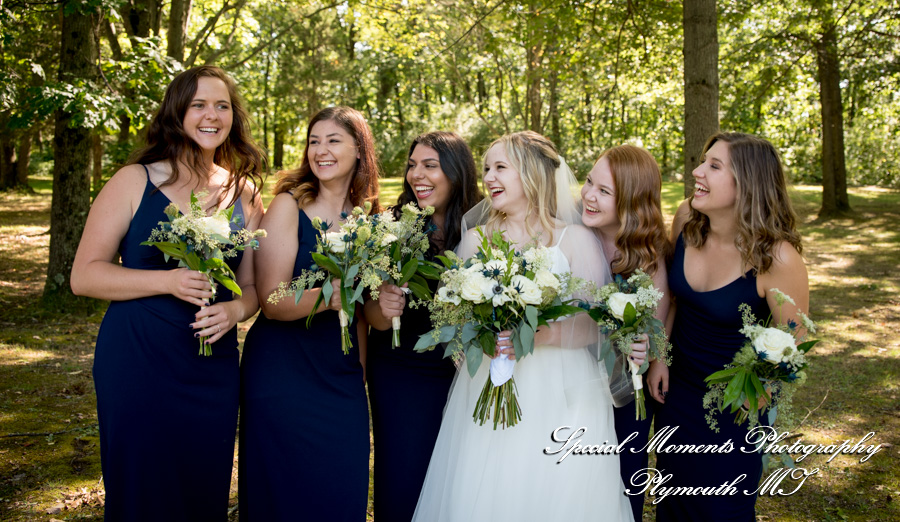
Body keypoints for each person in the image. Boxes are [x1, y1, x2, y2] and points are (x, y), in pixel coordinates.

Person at [71, 65, 265, 521]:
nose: (211, 115)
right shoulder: (133, 181)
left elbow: (254, 287)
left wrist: (235, 309)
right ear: (177, 112)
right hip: (139, 359)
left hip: (210, 365)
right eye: (198, 104)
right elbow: (85, 275)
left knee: (203, 484)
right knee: (143, 486)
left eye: (222, 106)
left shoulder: (245, 193)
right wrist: (166, 281)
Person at [413, 131, 633, 522]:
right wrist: (475, 337)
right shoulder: (475, 240)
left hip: (562, 389)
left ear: (531, 173)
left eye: (501, 167)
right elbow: (457, 317)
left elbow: (596, 326)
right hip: (487, 384)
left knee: (556, 492)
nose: (489, 178)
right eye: (486, 169)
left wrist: (540, 334)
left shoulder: (575, 240)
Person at [650, 132, 808, 521]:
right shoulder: (687, 219)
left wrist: (759, 394)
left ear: (747, 184)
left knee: (722, 511)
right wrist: (659, 359)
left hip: (733, 410)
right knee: (673, 506)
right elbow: (671, 298)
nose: (697, 171)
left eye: (713, 166)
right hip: (677, 395)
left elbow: (796, 343)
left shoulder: (778, 258)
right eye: (703, 161)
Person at [238, 106, 380, 521]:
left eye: (333, 140)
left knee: (341, 487)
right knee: (282, 491)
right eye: (314, 141)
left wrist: (360, 373)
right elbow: (272, 300)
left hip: (340, 374)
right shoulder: (288, 205)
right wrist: (329, 297)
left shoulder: (368, 216)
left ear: (359, 149)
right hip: (284, 370)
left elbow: (360, 314)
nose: (321, 150)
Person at [364, 131, 483, 522]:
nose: (418, 175)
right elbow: (374, 319)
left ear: (456, 173)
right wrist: (385, 306)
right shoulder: (392, 226)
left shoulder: (482, 226)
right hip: (403, 371)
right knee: (404, 477)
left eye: (430, 165)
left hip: (465, 375)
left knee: (461, 481)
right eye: (413, 166)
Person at [580, 144, 668, 521]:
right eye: (588, 182)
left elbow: (658, 324)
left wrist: (649, 347)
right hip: (572, 380)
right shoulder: (571, 233)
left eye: (603, 192)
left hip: (623, 389)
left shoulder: (649, 255)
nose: (588, 195)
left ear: (631, 202)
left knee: (623, 476)